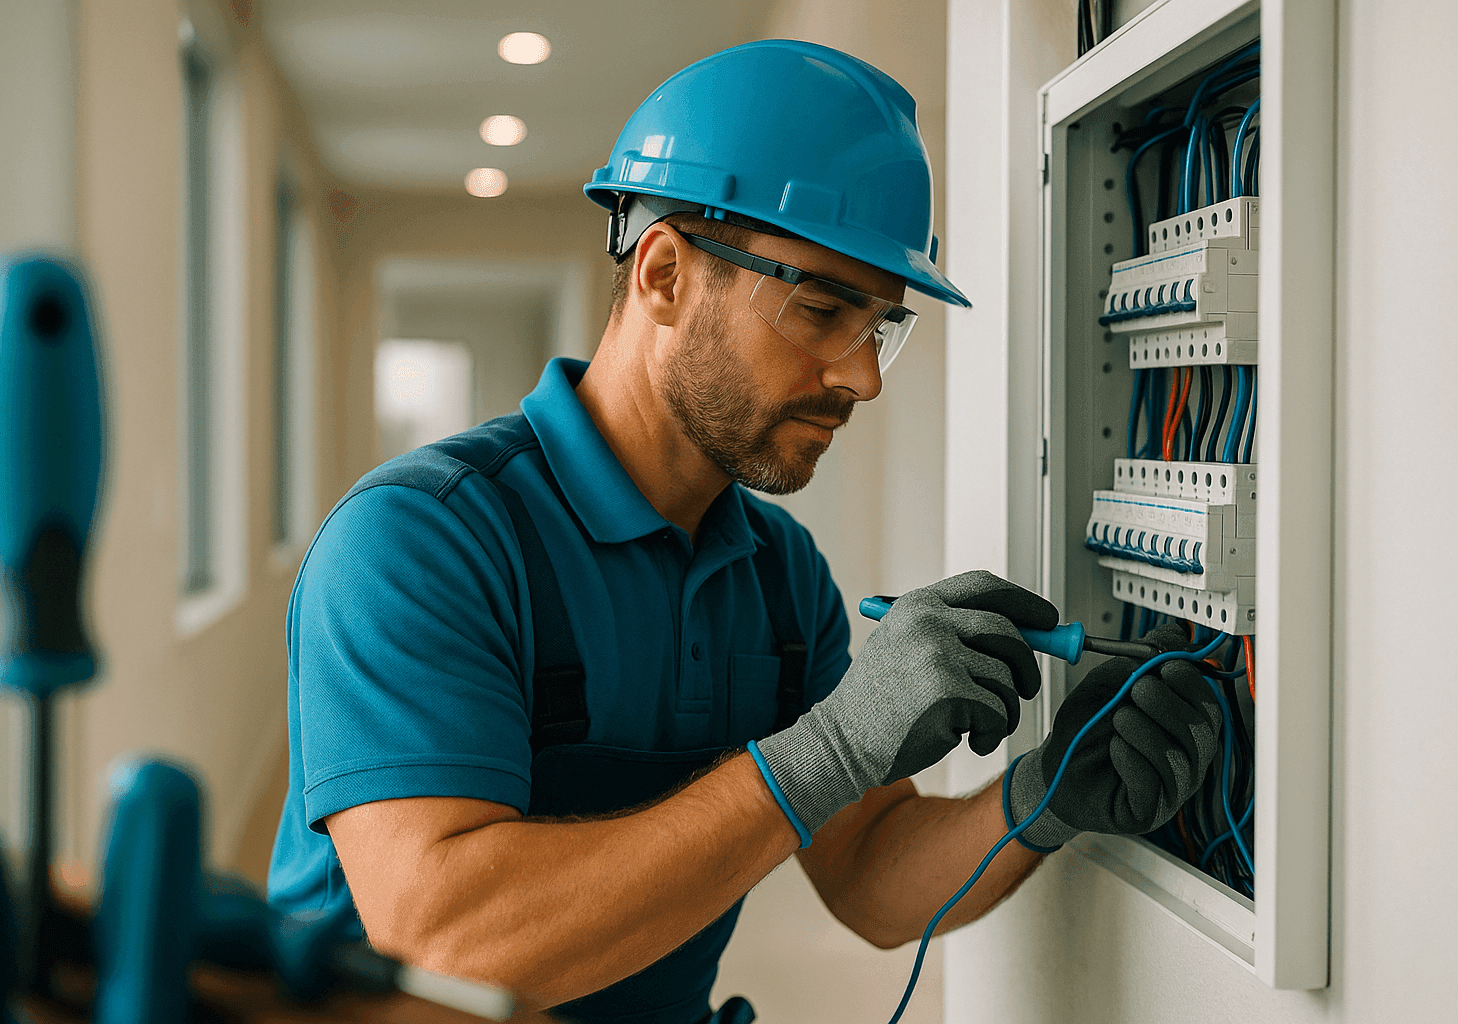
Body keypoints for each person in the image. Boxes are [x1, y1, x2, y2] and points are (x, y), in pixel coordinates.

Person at [268, 39, 1223, 1024]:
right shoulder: (423, 541)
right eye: (820, 310)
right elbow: (443, 940)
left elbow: (866, 876)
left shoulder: (777, 575)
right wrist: (828, 750)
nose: (863, 378)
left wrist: (1045, 797)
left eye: (881, 326)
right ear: (666, 274)